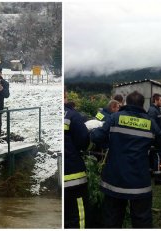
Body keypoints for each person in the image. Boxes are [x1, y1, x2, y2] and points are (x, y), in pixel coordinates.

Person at [91, 91, 161, 228]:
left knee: (112, 219)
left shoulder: (115, 118)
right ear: (142, 104)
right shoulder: (150, 122)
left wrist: (108, 143)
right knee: (142, 220)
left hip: (115, 179)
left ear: (126, 103)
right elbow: (160, 142)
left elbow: (97, 137)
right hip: (139, 181)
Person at [64, 87, 90, 229]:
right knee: (78, 214)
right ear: (65, 96)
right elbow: (83, 142)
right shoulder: (73, 116)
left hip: (60, 177)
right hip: (74, 178)